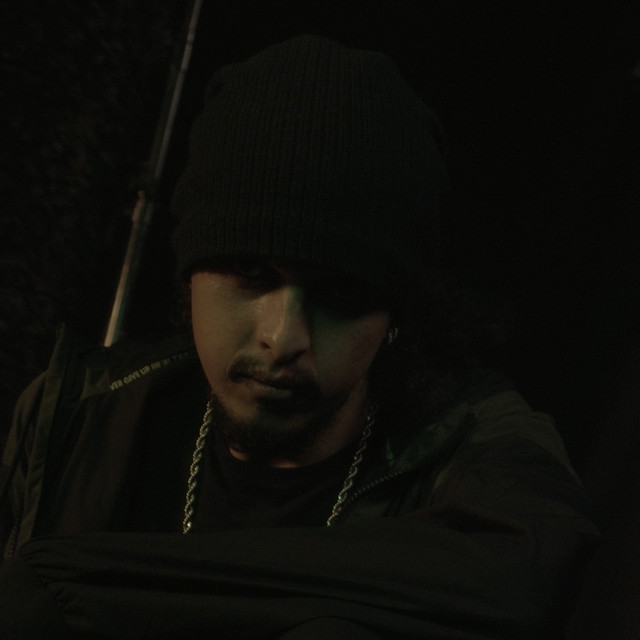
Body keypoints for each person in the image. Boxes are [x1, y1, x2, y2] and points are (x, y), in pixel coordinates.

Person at [0, 35, 598, 639]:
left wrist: (59, 588)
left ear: (395, 316)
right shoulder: (77, 417)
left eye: (338, 293)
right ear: (191, 275)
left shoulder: (473, 456)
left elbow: (528, 570)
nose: (282, 337)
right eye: (250, 272)